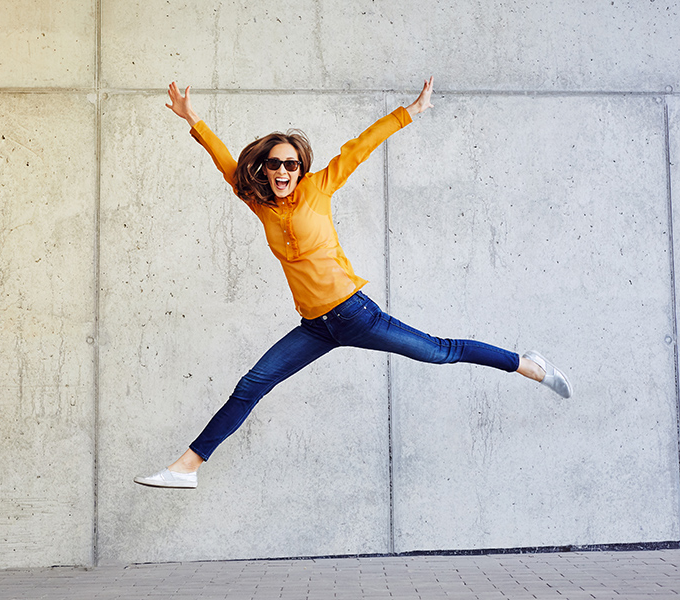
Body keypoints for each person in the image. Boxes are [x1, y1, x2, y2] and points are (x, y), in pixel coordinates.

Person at [134, 78, 572, 489]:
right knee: (252, 385)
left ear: (300, 167)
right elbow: (226, 162)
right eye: (275, 164)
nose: (283, 171)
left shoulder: (319, 188)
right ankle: (187, 467)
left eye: (291, 163)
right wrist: (193, 119)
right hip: (315, 327)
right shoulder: (259, 203)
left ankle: (528, 364)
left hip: (355, 314)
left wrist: (411, 110)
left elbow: (360, 147)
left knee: (441, 352)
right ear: (264, 169)